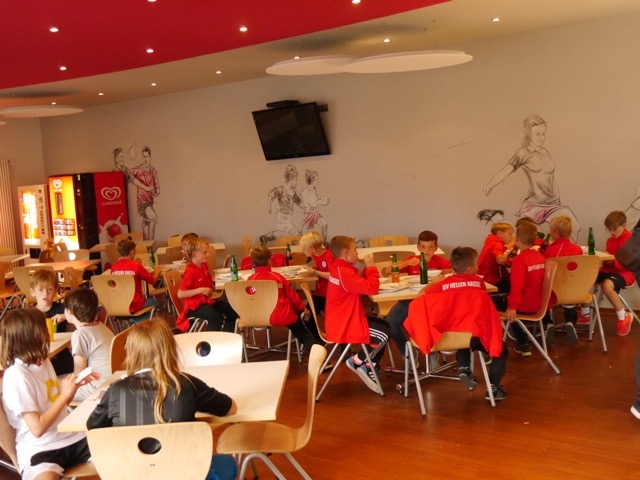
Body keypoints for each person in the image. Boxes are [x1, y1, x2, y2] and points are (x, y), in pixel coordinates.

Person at [86, 319, 238, 480]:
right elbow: (230, 408)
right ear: (170, 348)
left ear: (131, 352)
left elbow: (93, 427)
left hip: (131, 474)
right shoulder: (186, 384)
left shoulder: (116, 391)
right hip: (184, 474)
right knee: (229, 464)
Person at [1, 308, 98, 480]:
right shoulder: (17, 375)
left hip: (70, 438)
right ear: (28, 338)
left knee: (115, 455)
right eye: (42, 329)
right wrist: (64, 396)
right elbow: (37, 428)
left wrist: (73, 386)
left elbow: (55, 405)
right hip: (40, 448)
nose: (46, 333)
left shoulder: (43, 362)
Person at [405, 247, 508, 400]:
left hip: (443, 338)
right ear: (470, 269)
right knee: (499, 347)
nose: (478, 266)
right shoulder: (478, 282)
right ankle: (493, 388)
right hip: (472, 337)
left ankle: (464, 367)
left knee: (460, 325)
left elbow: (419, 298)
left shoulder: (443, 284)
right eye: (476, 264)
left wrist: (432, 283)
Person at [483, 114, 581, 241]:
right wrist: (490, 185)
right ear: (529, 134)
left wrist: (557, 197)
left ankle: (565, 251)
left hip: (552, 203)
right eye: (537, 134)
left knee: (573, 226)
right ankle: (497, 218)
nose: (541, 138)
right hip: (534, 204)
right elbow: (507, 170)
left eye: (543, 134)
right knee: (520, 235)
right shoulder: (523, 153)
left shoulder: (545, 152)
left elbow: (551, 177)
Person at [325, 235, 391, 393]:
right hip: (344, 324)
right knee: (384, 334)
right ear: (346, 252)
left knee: (386, 326)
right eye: (355, 249)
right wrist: (371, 267)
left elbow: (361, 284)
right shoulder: (343, 272)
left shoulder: (339, 268)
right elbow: (371, 289)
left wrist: (367, 271)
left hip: (346, 317)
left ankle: (367, 364)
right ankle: (360, 361)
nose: (358, 253)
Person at [382, 230, 453, 356]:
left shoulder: (440, 261)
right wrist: (406, 263)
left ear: (436, 248)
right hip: (409, 301)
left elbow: (455, 270)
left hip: (431, 304)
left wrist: (442, 271)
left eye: (430, 247)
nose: (426, 250)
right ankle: (407, 351)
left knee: (426, 324)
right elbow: (386, 272)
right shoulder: (413, 260)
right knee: (390, 322)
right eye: (423, 247)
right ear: (418, 247)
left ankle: (432, 354)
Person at [247, 246, 320, 352]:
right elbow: (292, 296)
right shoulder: (278, 277)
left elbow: (250, 299)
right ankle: (317, 354)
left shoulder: (250, 280)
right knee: (302, 333)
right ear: (270, 261)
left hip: (258, 317)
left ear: (252, 262)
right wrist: (302, 308)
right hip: (282, 315)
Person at [500, 221, 546, 356]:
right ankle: (522, 340)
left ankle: (522, 342)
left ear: (517, 239)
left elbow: (516, 286)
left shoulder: (519, 260)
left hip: (522, 305)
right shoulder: (540, 257)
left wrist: (512, 306)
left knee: (490, 302)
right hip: (538, 303)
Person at [176, 238, 238, 333]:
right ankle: (208, 342)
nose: (208, 254)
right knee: (216, 317)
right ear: (194, 254)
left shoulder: (203, 266)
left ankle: (227, 337)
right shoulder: (190, 272)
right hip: (194, 306)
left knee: (232, 310)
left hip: (206, 301)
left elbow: (209, 280)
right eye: (205, 252)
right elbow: (180, 294)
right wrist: (201, 290)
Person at [64, 288, 114, 402]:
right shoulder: (100, 325)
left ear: (70, 311)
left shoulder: (80, 334)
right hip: (112, 380)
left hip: (98, 387)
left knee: (51, 389)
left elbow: (79, 375)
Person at [542, 215, 584, 346]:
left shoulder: (550, 250)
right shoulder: (577, 249)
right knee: (569, 294)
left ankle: (548, 323)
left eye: (550, 229)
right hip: (572, 292)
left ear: (555, 232)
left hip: (553, 292)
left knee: (541, 293)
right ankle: (570, 321)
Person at [596, 210, 635, 336]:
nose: (612, 232)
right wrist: (606, 259)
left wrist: (612, 261)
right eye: (609, 229)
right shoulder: (610, 240)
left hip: (626, 273)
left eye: (614, 229)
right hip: (610, 270)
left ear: (624, 225)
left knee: (606, 285)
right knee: (588, 276)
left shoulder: (631, 241)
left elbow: (629, 263)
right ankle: (585, 313)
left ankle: (623, 316)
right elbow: (609, 261)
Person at [29, 268, 74, 376]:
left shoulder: (63, 309)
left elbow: (82, 316)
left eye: (49, 289)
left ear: (56, 290)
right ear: (33, 292)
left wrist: (66, 316)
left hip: (61, 355)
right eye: (40, 290)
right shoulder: (30, 314)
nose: (45, 293)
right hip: (40, 356)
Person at [110, 238, 161, 319]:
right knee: (156, 303)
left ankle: (135, 322)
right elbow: (153, 281)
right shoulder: (136, 266)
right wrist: (157, 270)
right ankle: (138, 322)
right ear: (132, 252)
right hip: (135, 304)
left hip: (119, 306)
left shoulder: (114, 267)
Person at [259, 165, 303, 245]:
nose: (297, 182)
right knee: (296, 234)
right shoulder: (282, 189)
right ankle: (295, 248)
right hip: (282, 216)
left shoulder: (293, 191)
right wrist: (269, 205)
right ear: (290, 180)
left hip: (288, 216)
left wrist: (305, 207)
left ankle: (265, 237)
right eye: (296, 180)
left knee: (279, 233)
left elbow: (298, 202)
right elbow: (272, 194)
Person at [130, 146, 160, 240]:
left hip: (149, 203)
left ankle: (147, 243)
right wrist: (145, 187)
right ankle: (151, 244)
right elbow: (128, 175)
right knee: (153, 218)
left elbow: (157, 190)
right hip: (142, 203)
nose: (145, 159)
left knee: (147, 226)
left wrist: (154, 191)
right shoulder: (138, 170)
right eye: (143, 157)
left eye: (147, 157)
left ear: (150, 158)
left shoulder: (153, 171)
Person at [477, 222, 515, 293]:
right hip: (491, 279)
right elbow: (500, 260)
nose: (512, 237)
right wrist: (510, 249)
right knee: (514, 286)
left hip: (484, 276)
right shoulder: (497, 244)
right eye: (510, 234)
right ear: (499, 233)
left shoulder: (490, 241)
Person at [300, 170, 329, 240]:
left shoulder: (313, 190)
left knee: (324, 225)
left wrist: (321, 201)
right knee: (304, 233)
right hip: (309, 215)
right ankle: (300, 242)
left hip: (315, 214)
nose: (317, 181)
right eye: (316, 179)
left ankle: (324, 242)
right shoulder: (307, 191)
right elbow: (312, 203)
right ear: (312, 181)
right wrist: (322, 201)